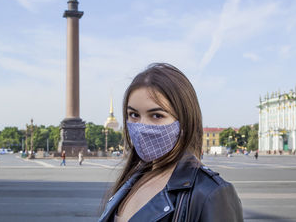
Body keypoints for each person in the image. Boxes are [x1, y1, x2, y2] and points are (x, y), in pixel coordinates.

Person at [98, 63, 243, 222]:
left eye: (156, 116)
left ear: (185, 121)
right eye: (133, 114)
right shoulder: (133, 179)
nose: (141, 126)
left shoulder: (211, 193)